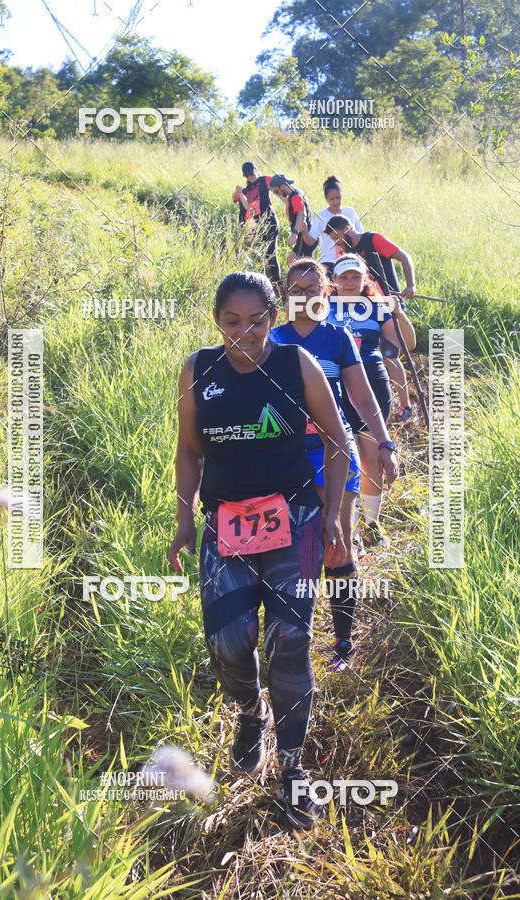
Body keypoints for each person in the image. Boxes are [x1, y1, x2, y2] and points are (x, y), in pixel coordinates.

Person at [167, 270, 351, 828]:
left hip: (295, 518)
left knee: (290, 640)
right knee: (229, 641)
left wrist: (337, 516)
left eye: (256, 321)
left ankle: (293, 771)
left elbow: (340, 441)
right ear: (216, 320)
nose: (244, 333)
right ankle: (250, 715)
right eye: (231, 322)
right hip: (227, 522)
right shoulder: (200, 370)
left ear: (273, 318)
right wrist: (183, 519)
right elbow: (189, 452)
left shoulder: (298, 365)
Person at [271, 258, 398, 671]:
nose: (304, 295)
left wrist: (384, 442)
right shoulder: (271, 339)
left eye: (312, 288)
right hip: (284, 454)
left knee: (336, 540)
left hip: (333, 451)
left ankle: (343, 643)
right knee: (286, 547)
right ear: (285, 294)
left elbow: (362, 399)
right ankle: (291, 639)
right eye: (296, 288)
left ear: (325, 292)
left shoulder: (338, 338)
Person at [327, 254, 415, 548]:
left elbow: (408, 344)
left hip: (373, 385)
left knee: (370, 457)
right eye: (344, 277)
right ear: (334, 281)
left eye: (355, 277)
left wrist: (398, 312)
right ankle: (344, 526)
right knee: (339, 455)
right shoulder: (321, 307)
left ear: (365, 279)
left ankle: (371, 523)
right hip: (334, 385)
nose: (350, 282)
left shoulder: (377, 309)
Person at [325, 214, 417, 423]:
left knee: (390, 354)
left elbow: (404, 256)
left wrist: (410, 285)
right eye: (333, 240)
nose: (336, 242)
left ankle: (405, 404)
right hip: (361, 306)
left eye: (336, 237)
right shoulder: (346, 254)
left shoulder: (373, 240)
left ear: (347, 228)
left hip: (386, 305)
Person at [300, 175, 363, 277]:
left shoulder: (350, 212)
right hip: (328, 261)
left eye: (338, 198)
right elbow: (310, 241)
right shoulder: (321, 216)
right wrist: (304, 231)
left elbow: (360, 235)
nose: (335, 202)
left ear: (342, 195)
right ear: (326, 199)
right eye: (332, 199)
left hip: (350, 259)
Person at [233, 163, 281, 288]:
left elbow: (279, 185)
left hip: (269, 222)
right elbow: (239, 201)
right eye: (247, 175)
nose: (250, 177)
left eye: (252, 174)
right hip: (254, 227)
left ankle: (279, 286)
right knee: (257, 258)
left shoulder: (264, 180)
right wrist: (237, 192)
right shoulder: (245, 190)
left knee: (271, 255)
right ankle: (263, 286)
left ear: (256, 170)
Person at [268, 174, 317, 266]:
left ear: (282, 186)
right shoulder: (294, 194)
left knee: (296, 263)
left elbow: (301, 214)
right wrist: (276, 192)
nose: (276, 194)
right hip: (304, 234)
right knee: (297, 262)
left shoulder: (295, 196)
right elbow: (287, 200)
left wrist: (294, 233)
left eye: (276, 191)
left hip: (303, 235)